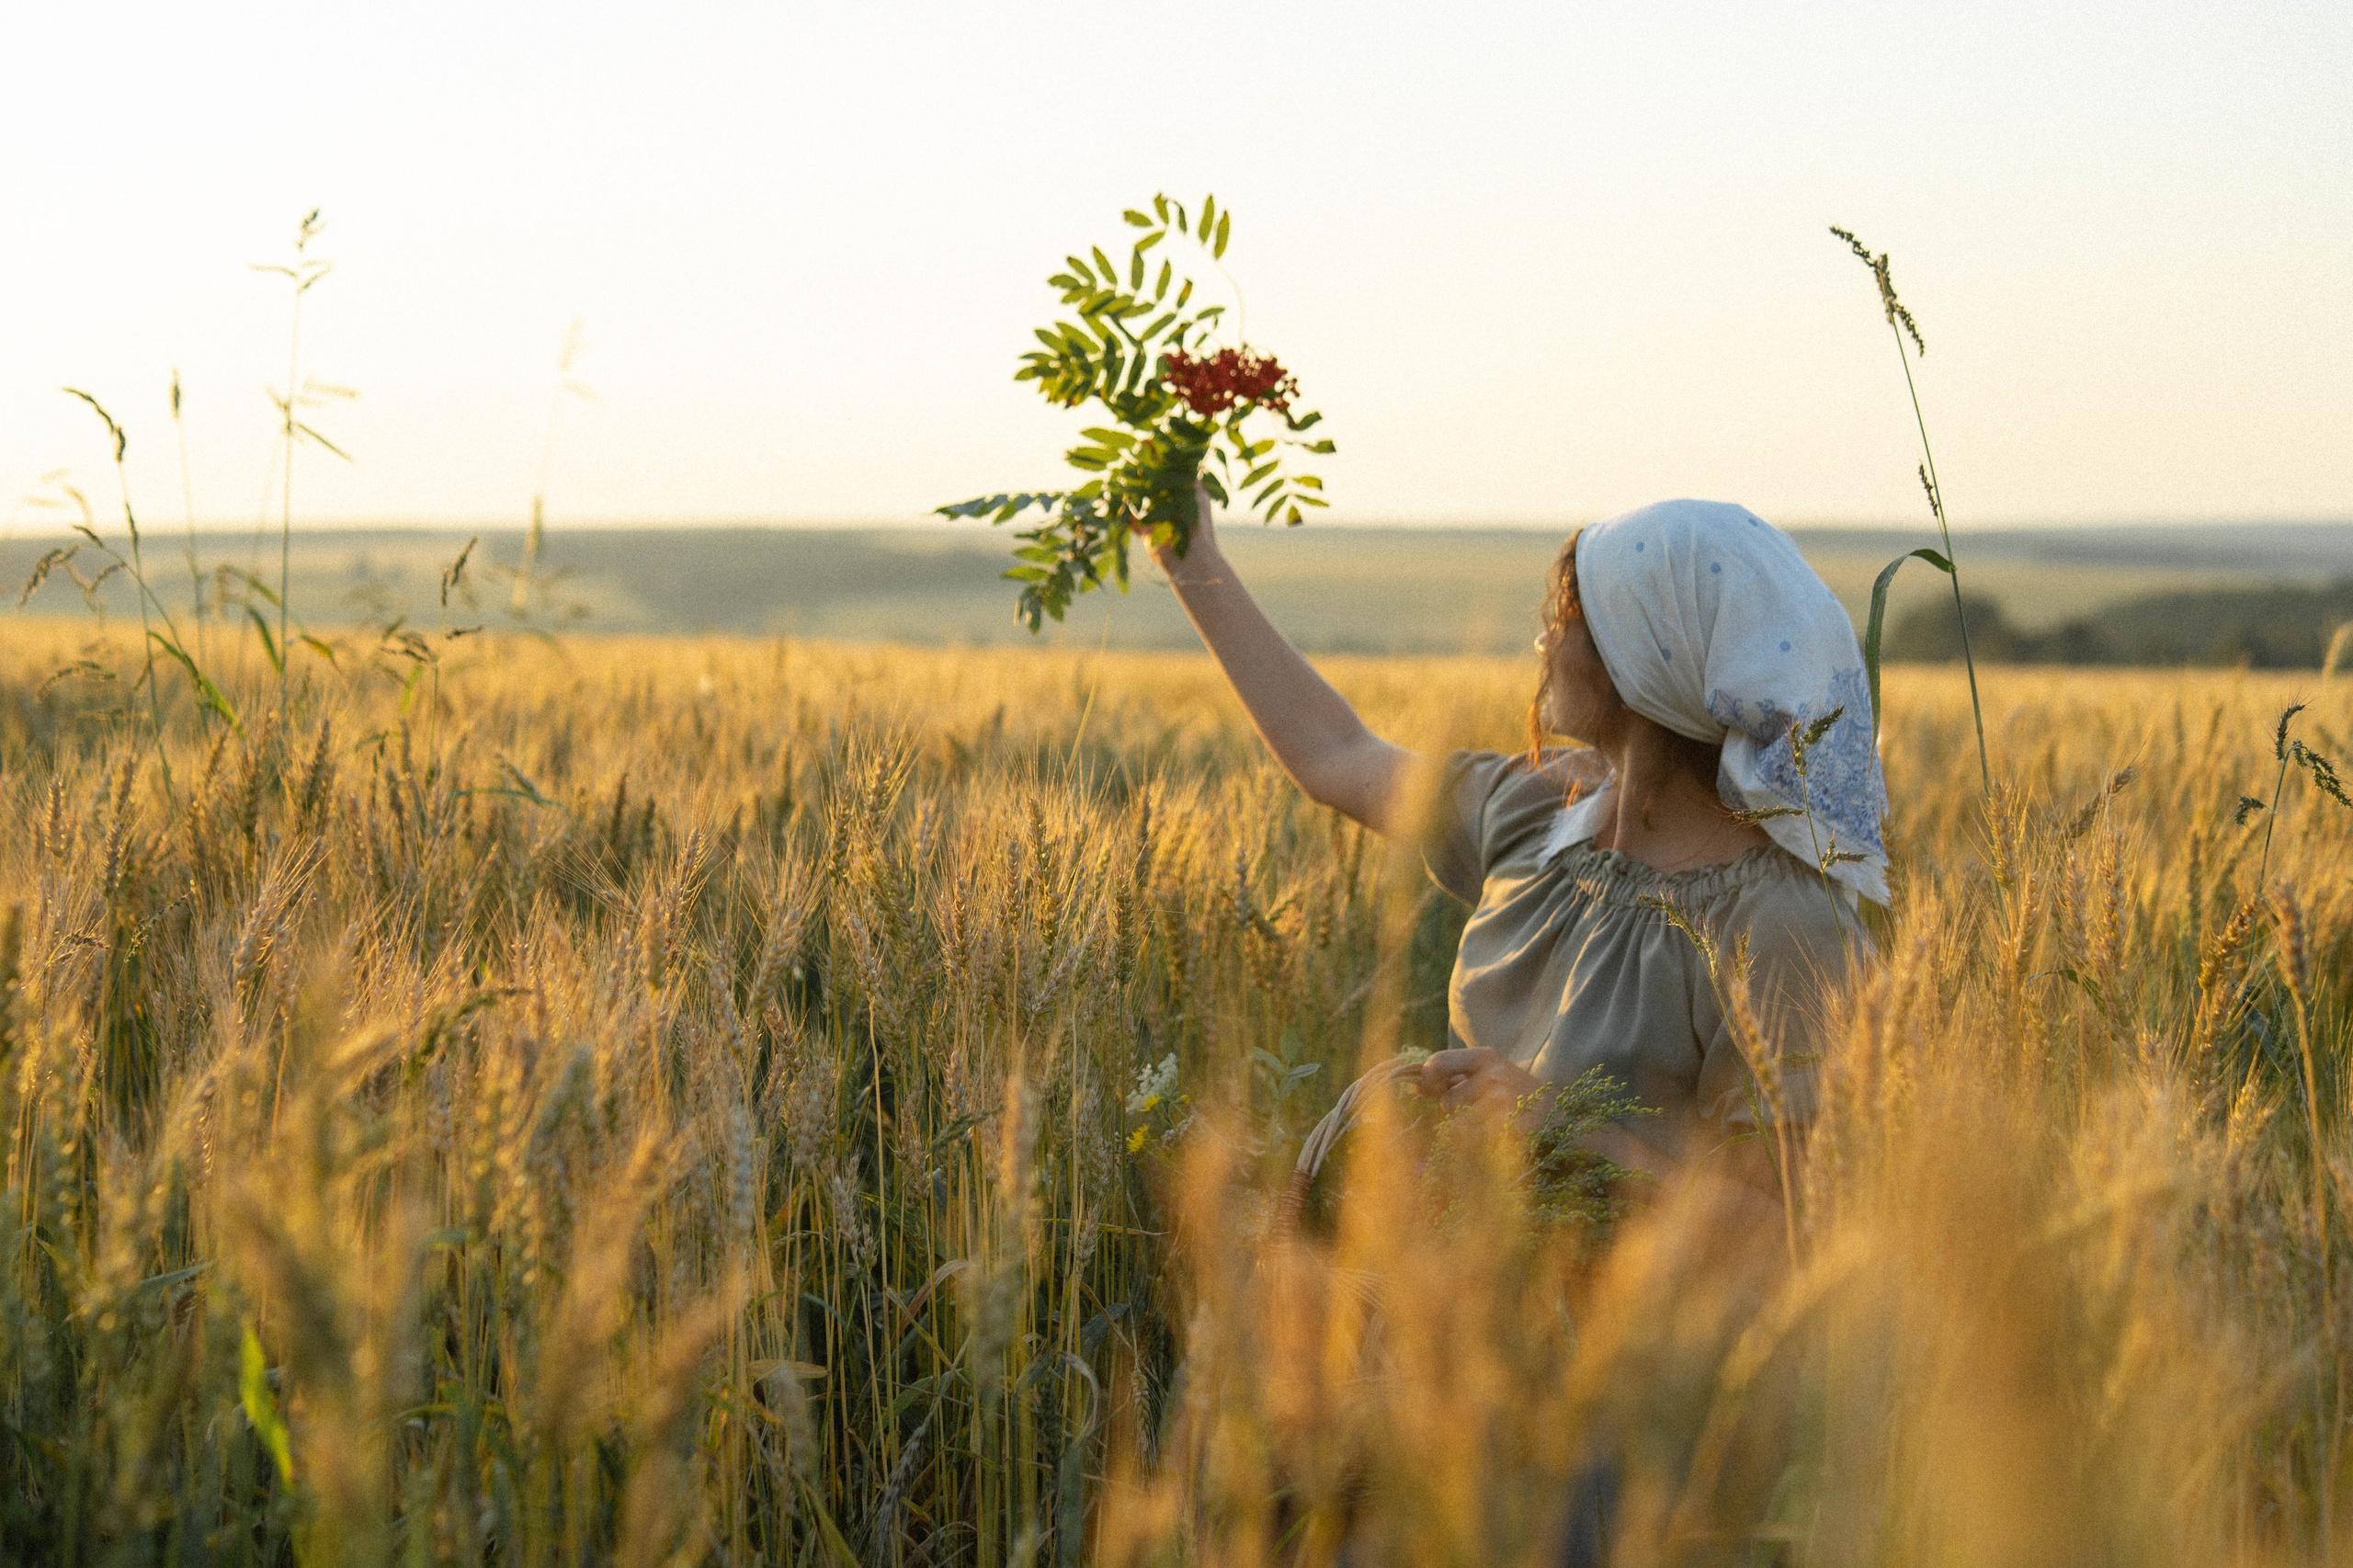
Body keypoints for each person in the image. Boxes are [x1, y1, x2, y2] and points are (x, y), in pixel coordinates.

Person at [1151, 490, 1883, 1207]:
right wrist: (1190, 558)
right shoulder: (1537, 814)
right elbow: (1335, 753)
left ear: (1645, 660)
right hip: (1458, 1307)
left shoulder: (1784, 928)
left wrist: (1565, 1129)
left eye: (1570, 621)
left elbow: (1792, 1242)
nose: (1545, 642)